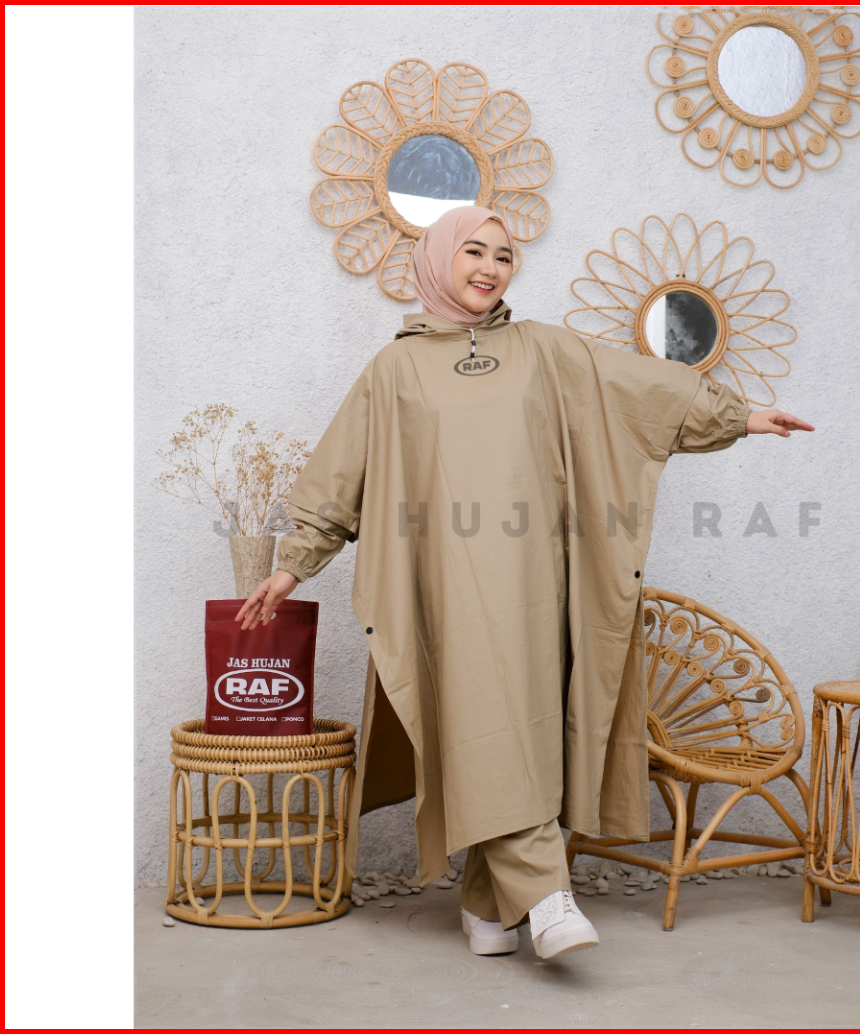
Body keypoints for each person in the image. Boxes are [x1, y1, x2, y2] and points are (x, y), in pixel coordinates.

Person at [236, 206, 813, 959]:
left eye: (504, 256)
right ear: (437, 259)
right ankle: (545, 895)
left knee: (527, 727)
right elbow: (342, 471)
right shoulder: (394, 370)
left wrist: (739, 416)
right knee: (485, 717)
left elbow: (640, 389)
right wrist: (292, 564)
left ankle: (485, 906)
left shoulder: (543, 349)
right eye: (474, 251)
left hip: (540, 582)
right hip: (445, 586)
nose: (490, 267)